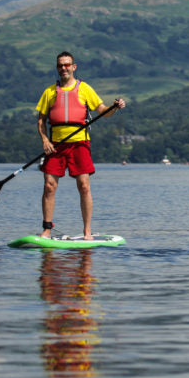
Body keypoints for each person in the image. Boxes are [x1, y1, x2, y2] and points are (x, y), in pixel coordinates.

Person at [36, 51, 125, 240]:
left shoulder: (84, 88)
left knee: (84, 186)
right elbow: (41, 121)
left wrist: (114, 107)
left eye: (67, 65)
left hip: (79, 143)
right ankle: (47, 229)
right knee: (49, 186)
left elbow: (103, 111)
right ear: (57, 68)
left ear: (74, 67)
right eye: (60, 65)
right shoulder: (49, 92)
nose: (64, 68)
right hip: (55, 145)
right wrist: (45, 140)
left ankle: (87, 232)